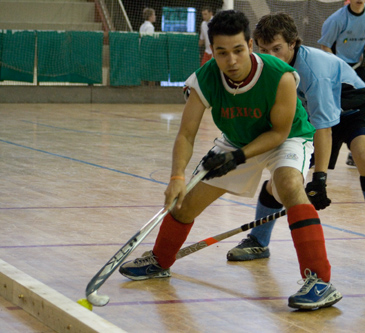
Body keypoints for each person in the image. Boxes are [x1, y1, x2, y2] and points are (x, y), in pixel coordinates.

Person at [119, 10, 342, 311]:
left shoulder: (281, 75)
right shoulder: (205, 79)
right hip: (236, 140)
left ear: (250, 45)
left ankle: (321, 282)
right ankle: (159, 261)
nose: (232, 60)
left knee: (289, 184)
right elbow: (186, 134)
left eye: (238, 50)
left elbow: (278, 133)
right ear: (212, 51)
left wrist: (237, 158)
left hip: (286, 138)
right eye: (222, 53)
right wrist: (176, 178)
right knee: (183, 204)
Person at [226, 13, 365, 271]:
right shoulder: (263, 67)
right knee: (284, 175)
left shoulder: (313, 71)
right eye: (264, 50)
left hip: (357, 109)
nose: (270, 56)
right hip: (315, 115)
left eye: (277, 49)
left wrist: (319, 179)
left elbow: (324, 128)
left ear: (293, 44)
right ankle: (258, 240)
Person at [318, 0, 365, 167]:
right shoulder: (336, 19)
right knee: (337, 109)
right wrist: (339, 67)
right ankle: (324, 153)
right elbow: (325, 46)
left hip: (358, 66)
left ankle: (356, 150)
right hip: (338, 65)